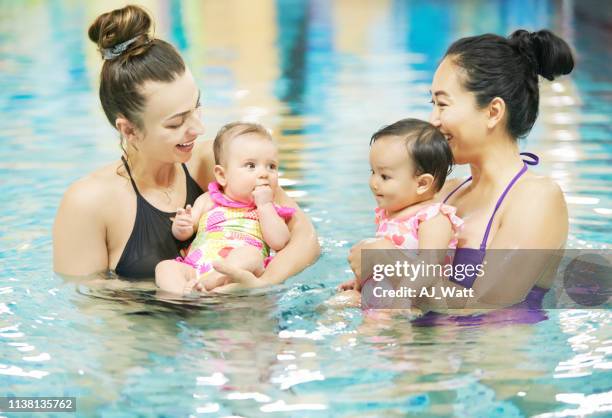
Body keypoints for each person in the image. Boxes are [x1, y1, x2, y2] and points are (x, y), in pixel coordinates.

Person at [52, 5, 319, 288]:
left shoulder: (213, 162)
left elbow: (306, 238)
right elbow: (90, 307)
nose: (198, 129)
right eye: (176, 123)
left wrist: (262, 285)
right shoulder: (88, 203)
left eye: (196, 107)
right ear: (129, 129)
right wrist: (186, 298)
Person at [348, 29, 574, 311]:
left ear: (493, 112)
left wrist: (388, 262)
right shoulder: (443, 191)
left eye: (443, 104)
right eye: (433, 104)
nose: (433, 121)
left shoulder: (537, 199)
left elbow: (487, 305)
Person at [334, 118, 464, 307]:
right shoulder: (389, 214)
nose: (374, 182)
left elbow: (429, 265)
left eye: (385, 176)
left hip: (409, 306)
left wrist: (403, 298)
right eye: (373, 172)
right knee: (336, 303)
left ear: (422, 183)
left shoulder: (433, 218)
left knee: (371, 329)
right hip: (381, 297)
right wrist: (360, 282)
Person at [155, 122, 297, 294]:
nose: (264, 173)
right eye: (251, 165)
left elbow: (279, 242)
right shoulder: (209, 199)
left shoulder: (269, 209)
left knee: (250, 254)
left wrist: (264, 205)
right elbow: (185, 232)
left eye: (271, 166)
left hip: (239, 273)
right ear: (222, 175)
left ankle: (211, 282)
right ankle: (182, 295)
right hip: (197, 268)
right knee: (165, 267)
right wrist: (181, 225)